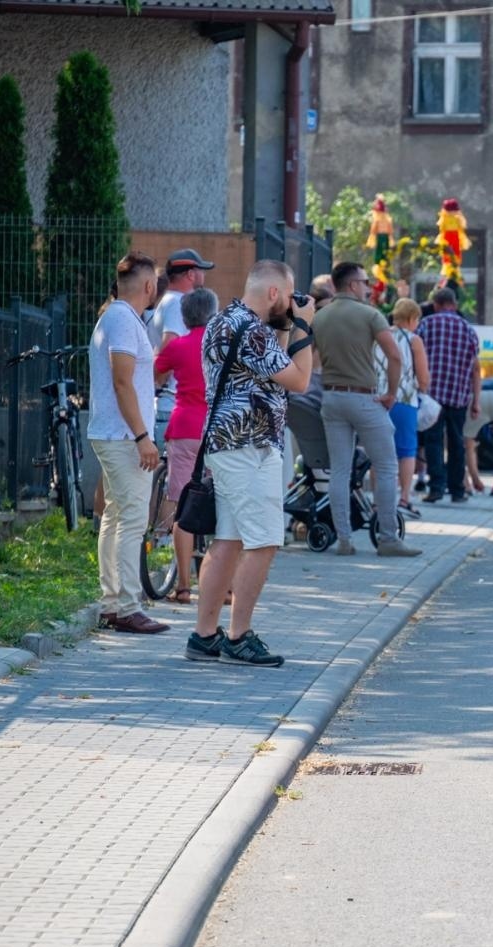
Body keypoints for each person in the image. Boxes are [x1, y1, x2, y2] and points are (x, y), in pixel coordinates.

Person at [186, 260, 315, 667]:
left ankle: (205, 636)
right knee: (265, 540)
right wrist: (305, 329)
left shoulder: (227, 322)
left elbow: (266, 362)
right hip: (250, 448)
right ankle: (239, 636)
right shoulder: (252, 332)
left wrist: (284, 325)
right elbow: (299, 379)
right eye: (288, 294)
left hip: (227, 445)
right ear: (274, 294)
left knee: (228, 540)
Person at [314, 261, 419, 557]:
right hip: (364, 398)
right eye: (364, 282)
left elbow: (312, 358)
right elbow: (395, 356)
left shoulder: (320, 317)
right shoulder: (370, 315)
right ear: (352, 285)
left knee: (339, 470)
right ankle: (388, 539)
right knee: (386, 465)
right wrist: (391, 393)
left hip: (331, 398)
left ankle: (344, 541)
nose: (368, 287)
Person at [87, 251, 168, 635]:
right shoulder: (122, 320)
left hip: (114, 433)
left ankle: (113, 603)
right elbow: (122, 382)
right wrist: (142, 438)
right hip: (123, 436)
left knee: (117, 517)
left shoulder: (117, 316)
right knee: (132, 519)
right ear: (150, 285)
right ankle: (128, 606)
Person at [152, 286, 218, 604]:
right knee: (224, 505)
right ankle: (226, 587)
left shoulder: (178, 346)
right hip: (218, 432)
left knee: (181, 506)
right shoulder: (222, 345)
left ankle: (183, 586)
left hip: (184, 429)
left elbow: (155, 372)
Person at [414, 285, 480, 503]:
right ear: (455, 304)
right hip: (458, 395)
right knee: (456, 442)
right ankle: (458, 491)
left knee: (433, 442)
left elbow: (414, 355)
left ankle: (436, 488)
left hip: (431, 394)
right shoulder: (468, 329)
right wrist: (475, 400)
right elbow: (475, 367)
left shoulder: (426, 324)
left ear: (435, 304)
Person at [385, 298, 431, 518]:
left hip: (379, 401)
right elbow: (423, 377)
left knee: (381, 453)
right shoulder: (414, 340)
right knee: (406, 452)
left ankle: (379, 501)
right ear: (412, 318)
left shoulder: (380, 335)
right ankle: (404, 498)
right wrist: (423, 388)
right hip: (404, 400)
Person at [148, 248, 212, 352]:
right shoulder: (177, 303)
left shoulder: (173, 300)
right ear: (191, 274)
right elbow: (169, 347)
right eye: (202, 270)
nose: (204, 274)